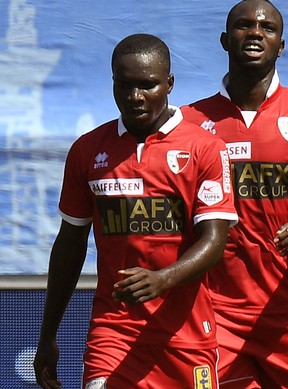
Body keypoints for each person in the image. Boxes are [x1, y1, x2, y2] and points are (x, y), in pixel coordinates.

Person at [33, 33, 238, 389]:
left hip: (186, 337)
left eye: (148, 85)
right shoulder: (87, 150)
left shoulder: (205, 148)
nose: (135, 97)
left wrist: (162, 279)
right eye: (124, 85)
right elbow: (69, 246)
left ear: (170, 83)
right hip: (113, 333)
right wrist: (48, 334)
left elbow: (215, 241)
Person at [181, 1, 288, 387]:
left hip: (284, 311)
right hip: (213, 313)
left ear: (281, 44)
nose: (256, 32)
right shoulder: (190, 122)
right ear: (225, 40)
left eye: (267, 27)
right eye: (244, 25)